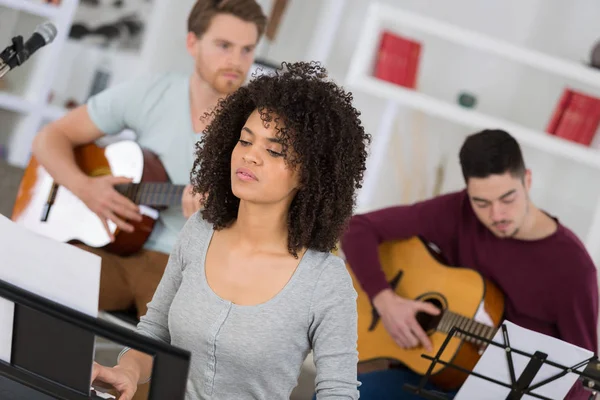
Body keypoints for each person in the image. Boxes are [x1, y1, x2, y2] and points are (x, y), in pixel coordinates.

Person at [89, 61, 371, 400]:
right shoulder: (199, 230)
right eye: (245, 141)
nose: (250, 157)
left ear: (310, 174)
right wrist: (126, 372)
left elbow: (338, 391)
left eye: (274, 150)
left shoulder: (324, 281)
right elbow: (156, 331)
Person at [31, 0, 267, 320]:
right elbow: (49, 138)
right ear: (192, 43)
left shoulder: (260, 126)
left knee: (175, 351)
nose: (235, 61)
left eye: (246, 49)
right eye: (224, 45)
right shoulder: (153, 92)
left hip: (181, 269)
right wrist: (85, 187)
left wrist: (213, 221)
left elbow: (263, 223)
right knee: (31, 281)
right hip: (109, 249)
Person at [341, 129, 598, 400]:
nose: (496, 214)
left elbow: (584, 376)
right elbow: (357, 229)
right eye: (482, 202)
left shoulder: (574, 269)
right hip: (438, 374)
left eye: (508, 198)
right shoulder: (457, 211)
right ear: (468, 192)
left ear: (528, 181)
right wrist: (386, 301)